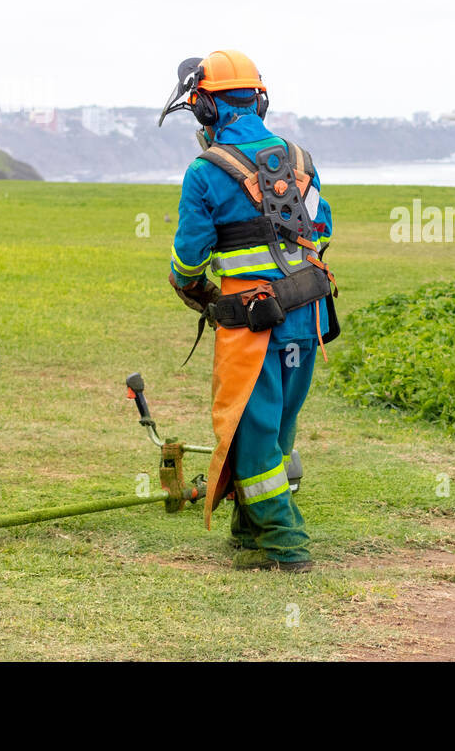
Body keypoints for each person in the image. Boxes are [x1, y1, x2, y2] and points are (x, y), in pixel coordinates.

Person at [159, 50, 337, 571]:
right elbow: (320, 230)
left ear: (206, 110)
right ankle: (250, 528)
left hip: (254, 327)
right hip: (308, 321)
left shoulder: (205, 172)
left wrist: (188, 284)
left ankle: (285, 544)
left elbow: (191, 252)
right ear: (259, 98)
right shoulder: (301, 160)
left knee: (252, 433)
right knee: (275, 429)